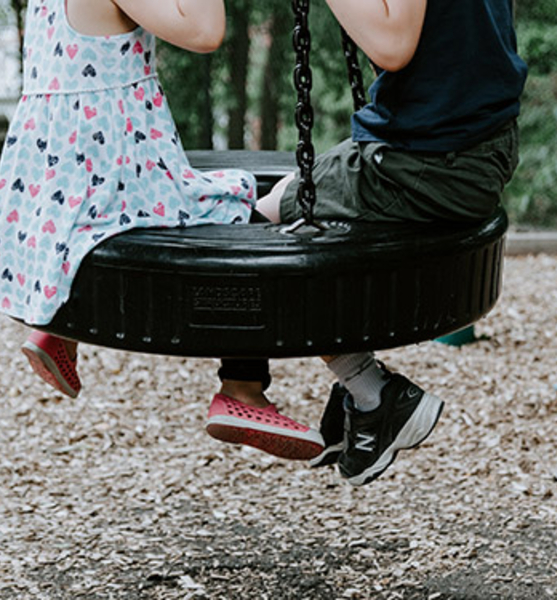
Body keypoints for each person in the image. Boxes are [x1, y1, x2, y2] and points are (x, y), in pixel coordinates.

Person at [0, 0, 325, 461]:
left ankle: (59, 320)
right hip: (117, 171)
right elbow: (204, 32)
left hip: (58, 185)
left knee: (118, 221)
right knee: (242, 215)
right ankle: (243, 388)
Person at [216, 0, 528, 486]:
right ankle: (367, 396)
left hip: (431, 160)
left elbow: (392, 44)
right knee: (285, 202)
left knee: (270, 223)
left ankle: (257, 389)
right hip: (469, 143)